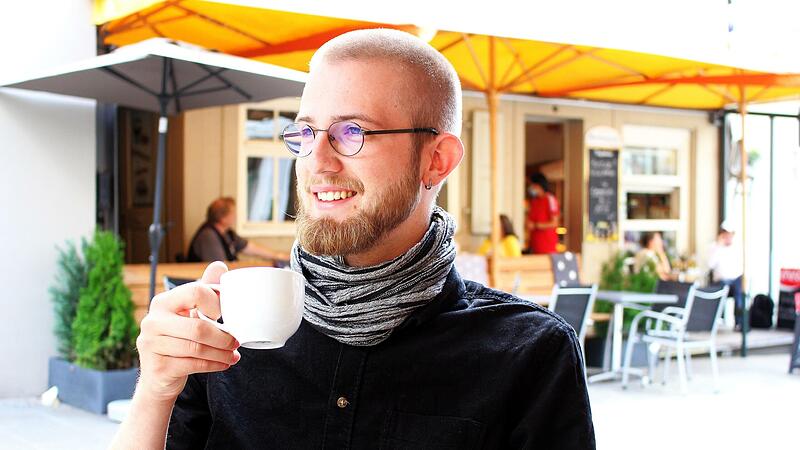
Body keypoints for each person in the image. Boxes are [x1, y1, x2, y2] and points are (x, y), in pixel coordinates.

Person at [112, 29, 594, 449]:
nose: (316, 161)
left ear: (436, 161)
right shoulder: (226, 333)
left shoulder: (530, 354)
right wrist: (155, 388)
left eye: (352, 131)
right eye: (305, 133)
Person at [186, 196, 288, 263]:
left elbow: (249, 248)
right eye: (232, 213)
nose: (235, 216)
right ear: (222, 218)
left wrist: (278, 256)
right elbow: (221, 267)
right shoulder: (208, 236)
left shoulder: (227, 233)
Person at [708, 223, 744, 327]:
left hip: (735, 281)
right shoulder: (714, 247)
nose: (728, 237)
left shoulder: (736, 248)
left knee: (739, 289)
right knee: (725, 284)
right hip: (721, 281)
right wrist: (719, 246)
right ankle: (718, 319)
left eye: (730, 234)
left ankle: (739, 322)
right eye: (726, 234)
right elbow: (710, 264)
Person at [525, 172, 561, 254]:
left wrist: (536, 225)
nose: (531, 188)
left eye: (532, 185)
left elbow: (554, 223)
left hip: (547, 246)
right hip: (535, 245)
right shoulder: (534, 201)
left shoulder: (550, 199)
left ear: (538, 185)